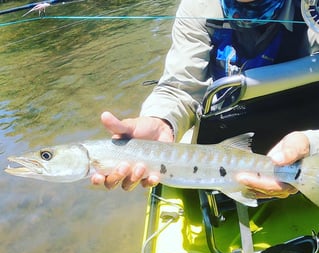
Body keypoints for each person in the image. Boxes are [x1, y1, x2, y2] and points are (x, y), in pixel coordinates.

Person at [92, 0, 319, 197]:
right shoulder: (197, 7)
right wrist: (162, 121)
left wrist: (312, 144)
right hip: (224, 154)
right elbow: (181, 88)